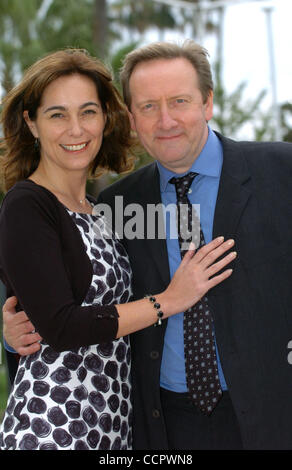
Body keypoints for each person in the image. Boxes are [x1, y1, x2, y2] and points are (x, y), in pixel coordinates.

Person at [4, 39, 292, 451]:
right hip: (156, 424)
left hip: (271, 416)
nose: (166, 120)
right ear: (130, 118)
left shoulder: (282, 172)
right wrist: (14, 333)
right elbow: (56, 301)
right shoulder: (117, 205)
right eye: (148, 107)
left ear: (207, 103)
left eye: (179, 101)